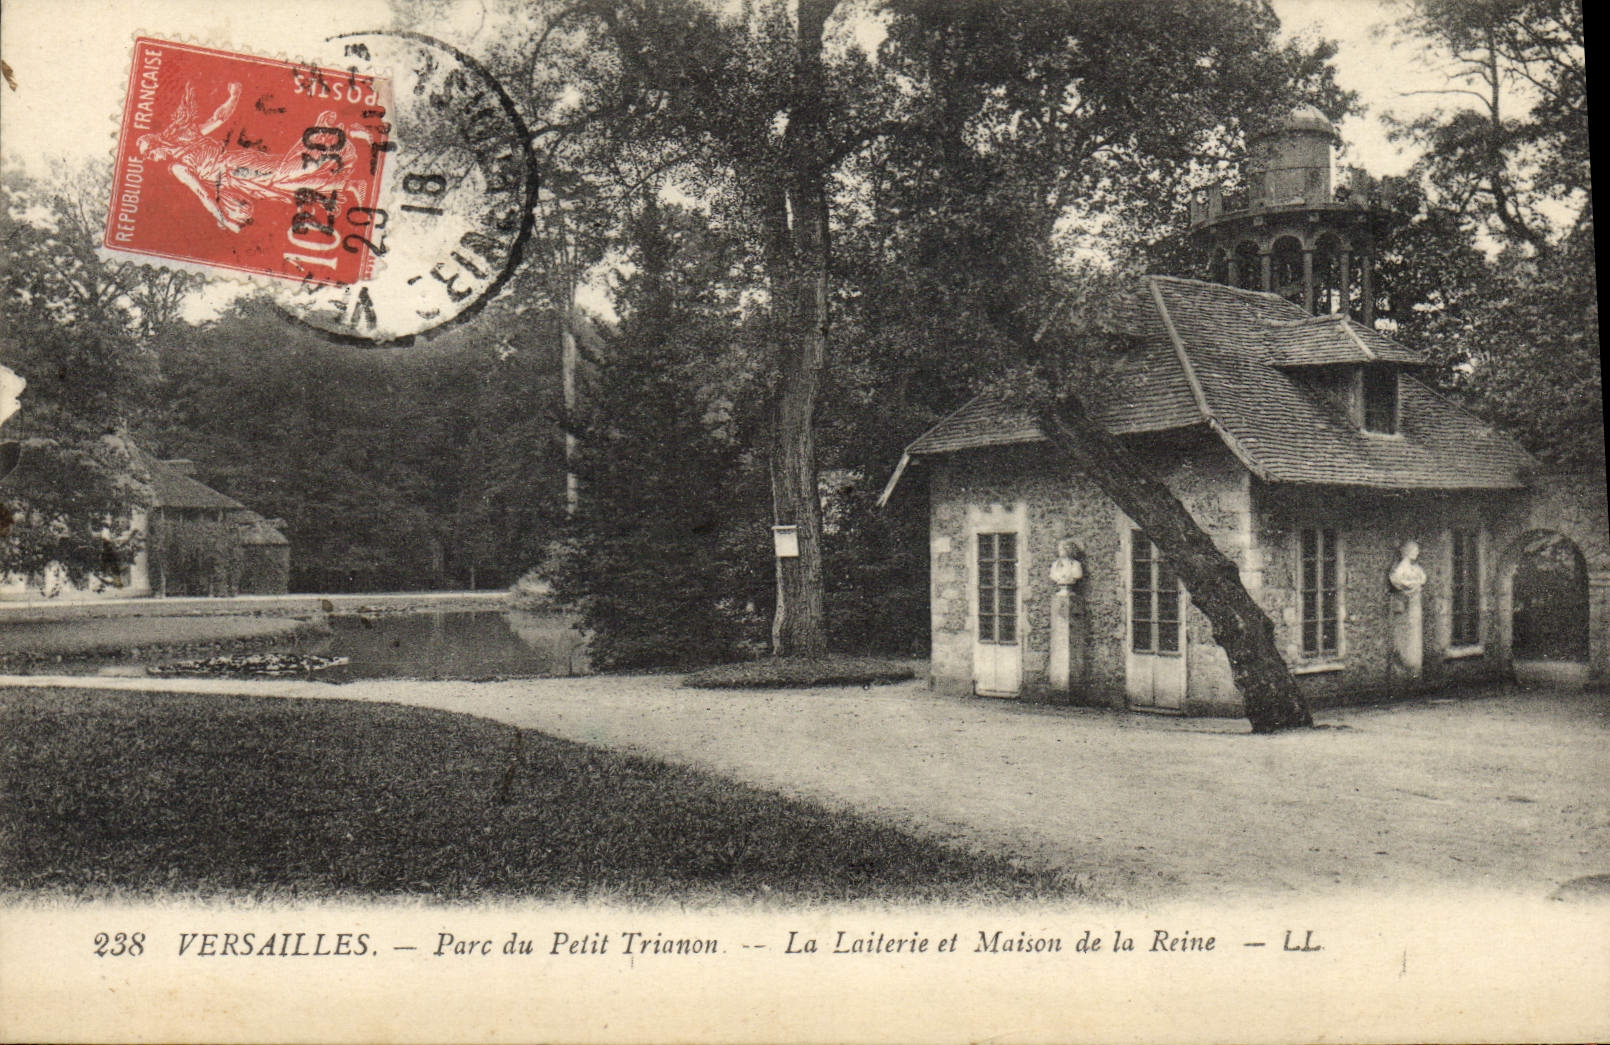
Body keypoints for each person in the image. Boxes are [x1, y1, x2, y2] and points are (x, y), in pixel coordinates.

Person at [138, 82, 364, 233]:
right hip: (237, 174)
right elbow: (219, 119)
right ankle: (350, 182)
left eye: (149, 153)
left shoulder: (180, 162)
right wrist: (234, 95)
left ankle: (336, 136)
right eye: (148, 157)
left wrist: (234, 95)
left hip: (236, 168)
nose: (152, 158)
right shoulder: (183, 149)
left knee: (285, 175)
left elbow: (202, 193)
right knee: (288, 186)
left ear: (157, 143)